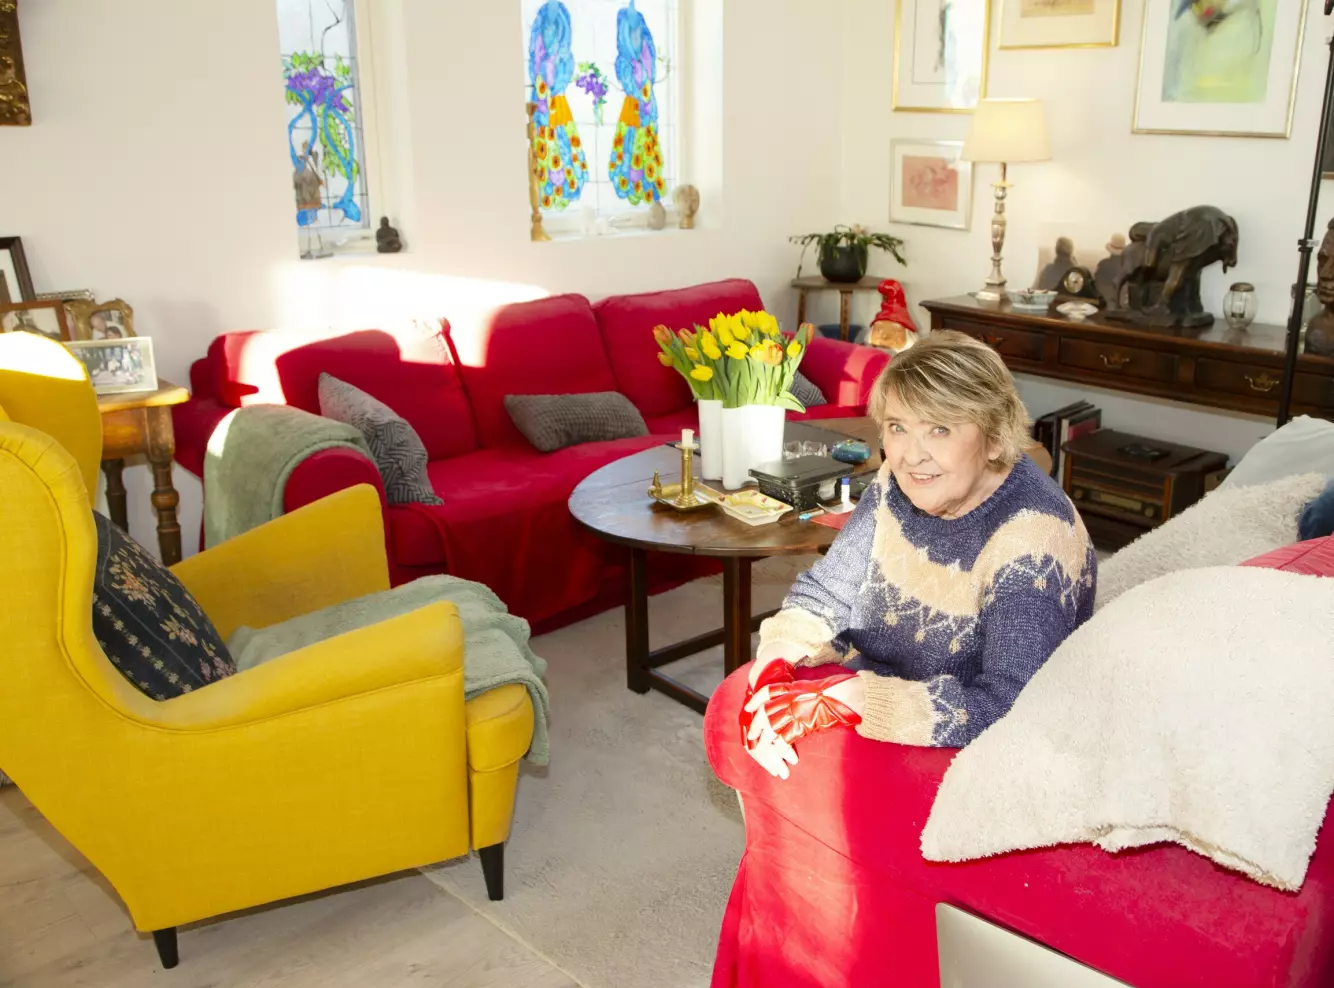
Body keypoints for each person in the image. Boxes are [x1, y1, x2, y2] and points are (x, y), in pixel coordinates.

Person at [743, 331, 1097, 777]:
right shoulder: (900, 479)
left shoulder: (1032, 544)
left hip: (971, 745)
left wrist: (855, 700)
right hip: (883, 685)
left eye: (940, 429)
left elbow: (1013, 707)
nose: (911, 456)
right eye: (898, 427)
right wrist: (777, 660)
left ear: (994, 438)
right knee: (751, 707)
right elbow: (829, 590)